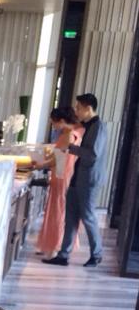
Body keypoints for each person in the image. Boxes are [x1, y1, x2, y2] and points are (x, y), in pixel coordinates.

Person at [43, 93, 108, 267]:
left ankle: (97, 254)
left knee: (88, 216)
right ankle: (63, 255)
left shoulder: (98, 127)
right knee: (70, 218)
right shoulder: (86, 126)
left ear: (88, 108)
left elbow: (92, 155)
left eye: (79, 108)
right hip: (77, 177)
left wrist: (70, 147)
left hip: (89, 180)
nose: (76, 111)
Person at [34, 107, 84, 258]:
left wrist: (39, 165)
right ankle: (52, 245)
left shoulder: (67, 135)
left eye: (54, 123)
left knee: (57, 211)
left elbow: (58, 159)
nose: (53, 126)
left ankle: (54, 246)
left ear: (61, 121)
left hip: (62, 175)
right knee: (59, 209)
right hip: (65, 174)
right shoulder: (76, 133)